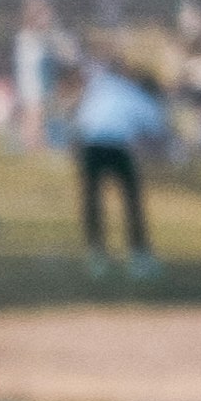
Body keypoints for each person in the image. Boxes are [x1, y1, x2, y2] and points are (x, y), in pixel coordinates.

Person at [71, 45, 168, 261]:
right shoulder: (139, 96)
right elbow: (157, 133)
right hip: (117, 146)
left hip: (91, 144)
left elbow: (81, 117)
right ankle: (139, 253)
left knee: (92, 199)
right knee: (131, 200)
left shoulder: (100, 84)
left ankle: (96, 251)